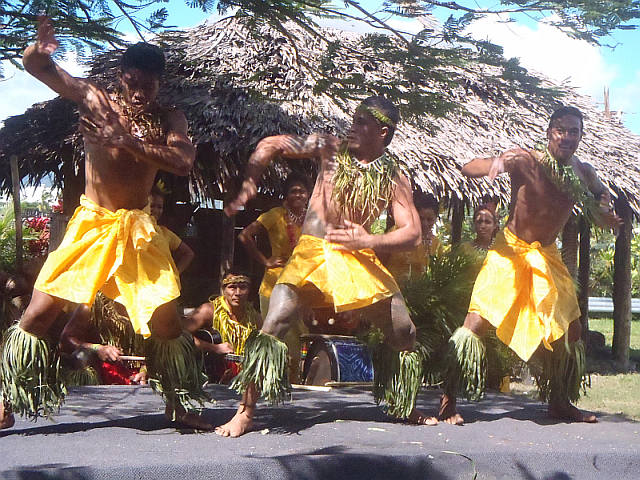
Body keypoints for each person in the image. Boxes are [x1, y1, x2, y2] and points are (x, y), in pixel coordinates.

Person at [0, 16, 209, 432]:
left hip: (138, 229)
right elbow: (42, 70)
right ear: (120, 76)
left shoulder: (171, 119)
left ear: (159, 84)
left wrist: (126, 140)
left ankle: (180, 403)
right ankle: (6, 400)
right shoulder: (96, 100)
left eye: (147, 85)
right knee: (38, 315)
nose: (138, 92)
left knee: (166, 321)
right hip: (92, 225)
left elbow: (183, 162)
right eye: (132, 82)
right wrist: (37, 53)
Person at [216, 95, 437, 438]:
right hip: (312, 255)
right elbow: (272, 143)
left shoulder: (394, 176)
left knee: (404, 331)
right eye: (354, 118)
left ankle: (404, 403)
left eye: (363, 122)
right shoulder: (330, 149)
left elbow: (412, 232)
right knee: (274, 322)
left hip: (358, 258)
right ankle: (245, 412)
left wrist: (371, 241)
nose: (353, 126)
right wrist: (249, 183)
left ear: (383, 131)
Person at [439, 106, 621, 425]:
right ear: (549, 132)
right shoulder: (526, 160)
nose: (567, 137)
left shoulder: (583, 172)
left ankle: (559, 401)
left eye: (574, 131)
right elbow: (470, 167)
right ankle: (447, 399)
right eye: (561, 130)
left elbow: (601, 191)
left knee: (572, 330)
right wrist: (495, 163)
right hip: (509, 251)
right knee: (477, 322)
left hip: (547, 255)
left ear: (581, 135)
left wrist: (603, 207)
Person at [238, 172, 310, 382]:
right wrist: (265, 261)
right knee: (273, 336)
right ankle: (266, 383)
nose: (298, 194)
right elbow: (245, 235)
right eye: (293, 191)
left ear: (308, 196)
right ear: (286, 196)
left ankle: (291, 385)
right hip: (274, 284)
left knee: (296, 338)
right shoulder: (275, 214)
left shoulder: (312, 219)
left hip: (302, 284)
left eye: (302, 191)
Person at [184, 270, 262, 382]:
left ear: (249, 290)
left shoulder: (255, 317)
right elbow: (178, 334)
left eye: (243, 287)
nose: (238, 293)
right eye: (232, 287)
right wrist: (214, 348)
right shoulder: (209, 311)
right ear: (223, 289)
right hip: (208, 377)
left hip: (242, 379)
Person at [384, 192, 441, 285]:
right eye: (421, 218)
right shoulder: (397, 233)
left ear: (435, 219)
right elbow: (380, 262)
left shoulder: (436, 244)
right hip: (392, 292)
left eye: (429, 219)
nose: (425, 223)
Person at [149, 182, 195, 274]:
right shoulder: (134, 227)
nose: (156, 210)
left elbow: (188, 253)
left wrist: (175, 274)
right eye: (152, 206)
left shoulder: (165, 232)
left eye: (159, 207)